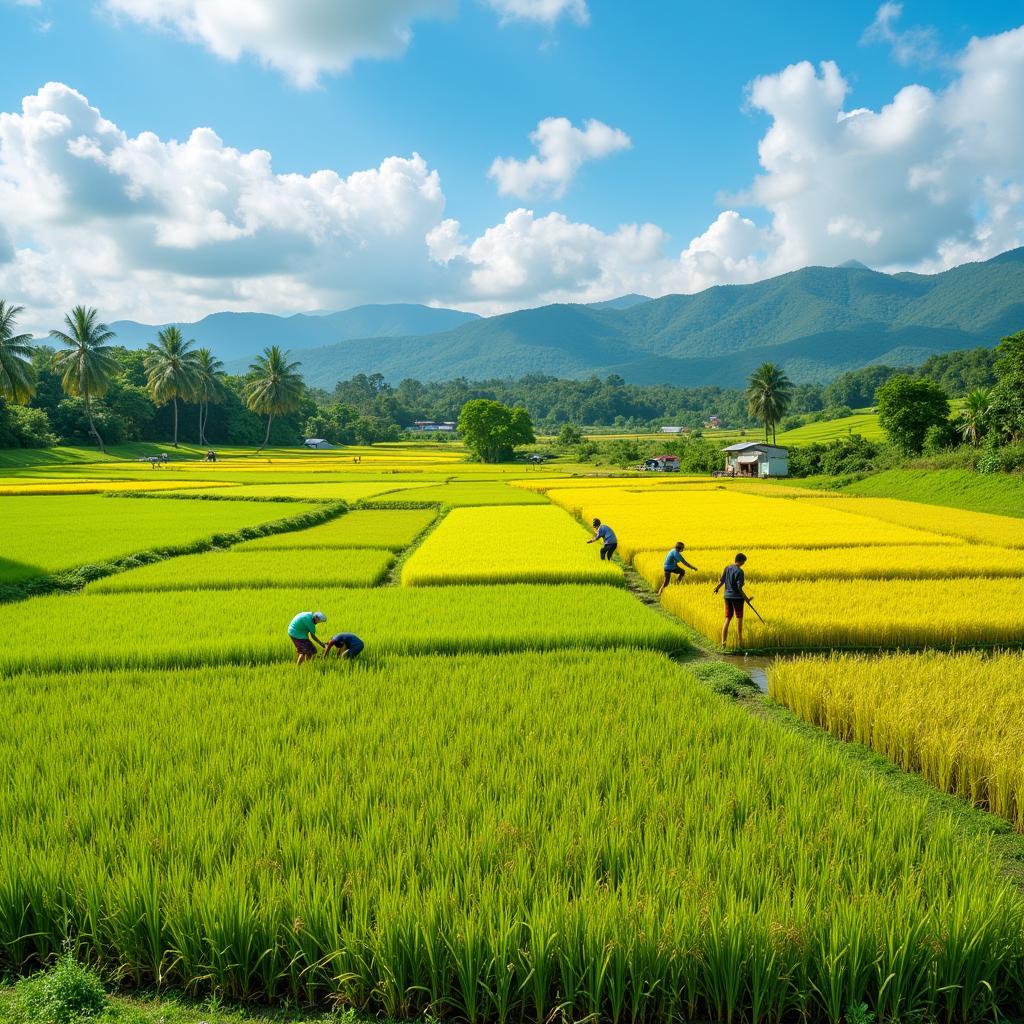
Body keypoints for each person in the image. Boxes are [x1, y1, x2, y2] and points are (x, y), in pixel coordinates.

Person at [713, 553, 750, 650]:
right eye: (744, 562)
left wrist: (717, 588)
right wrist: (746, 599)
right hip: (737, 598)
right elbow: (739, 587)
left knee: (728, 618)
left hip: (727, 597)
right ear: (742, 561)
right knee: (739, 618)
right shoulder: (740, 572)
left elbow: (722, 581)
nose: (744, 564)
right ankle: (740, 643)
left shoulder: (727, 568)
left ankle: (723, 644)